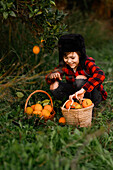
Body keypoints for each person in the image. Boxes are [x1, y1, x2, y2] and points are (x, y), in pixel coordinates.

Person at [45, 34, 107, 107]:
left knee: (80, 79)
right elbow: (49, 78)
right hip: (76, 92)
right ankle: (71, 104)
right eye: (66, 58)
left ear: (79, 55)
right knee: (54, 85)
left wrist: (84, 89)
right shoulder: (65, 65)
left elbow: (100, 74)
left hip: (92, 94)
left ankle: (88, 107)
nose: (69, 61)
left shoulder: (87, 63)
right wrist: (52, 76)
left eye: (72, 58)